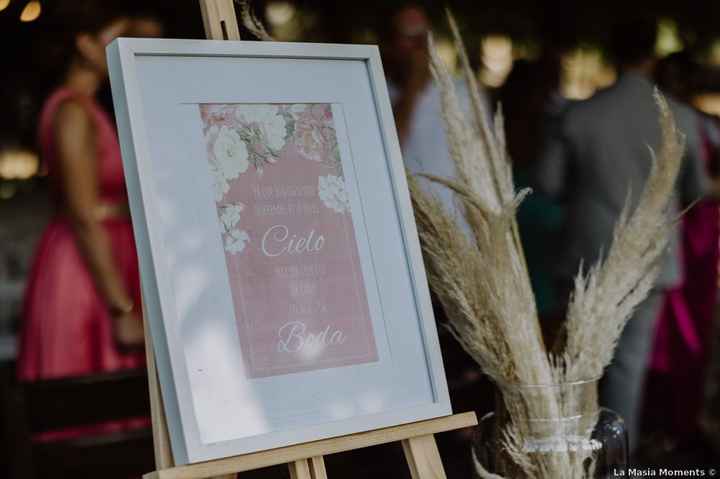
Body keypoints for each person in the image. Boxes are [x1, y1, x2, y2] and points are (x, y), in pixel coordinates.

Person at [533, 18, 708, 453]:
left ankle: (570, 457)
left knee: (578, 365)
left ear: (611, 52)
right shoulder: (682, 116)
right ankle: (616, 462)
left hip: (586, 255)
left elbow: (548, 183)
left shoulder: (578, 114)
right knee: (629, 368)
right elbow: (697, 192)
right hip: (650, 259)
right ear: (652, 55)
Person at [17, 4, 163, 382]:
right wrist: (120, 308)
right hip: (89, 272)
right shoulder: (73, 112)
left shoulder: (85, 109)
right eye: (115, 37)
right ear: (84, 44)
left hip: (104, 259)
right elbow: (82, 214)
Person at [644, 52, 720, 449]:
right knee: (672, 328)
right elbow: (700, 186)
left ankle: (669, 415)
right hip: (688, 231)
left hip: (694, 236)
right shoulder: (696, 123)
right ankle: (670, 416)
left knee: (676, 328)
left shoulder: (694, 123)